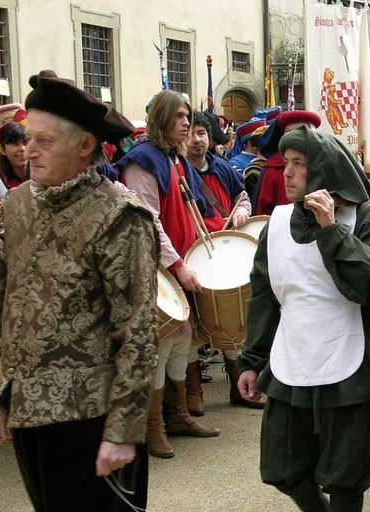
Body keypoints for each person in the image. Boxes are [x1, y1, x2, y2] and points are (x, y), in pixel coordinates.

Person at [0, 70, 160, 511]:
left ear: (85, 147)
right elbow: (6, 300)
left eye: (45, 141)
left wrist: (123, 430)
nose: (28, 152)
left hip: (90, 417)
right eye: (27, 139)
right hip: (29, 410)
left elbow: (137, 332)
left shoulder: (119, 217)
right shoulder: (18, 203)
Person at [237, 126, 370, 512]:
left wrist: (331, 229)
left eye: (300, 164)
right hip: (290, 356)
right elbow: (264, 296)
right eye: (287, 164)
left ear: (325, 170)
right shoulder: (276, 223)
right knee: (284, 469)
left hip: (351, 357)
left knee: (346, 474)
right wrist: (252, 360)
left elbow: (367, 285)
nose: (288, 173)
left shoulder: (363, 218)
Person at [118, 90, 220, 459]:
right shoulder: (142, 161)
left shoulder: (172, 158)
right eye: (178, 115)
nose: (186, 122)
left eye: (187, 116)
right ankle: (152, 426)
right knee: (159, 347)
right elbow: (147, 223)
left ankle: (177, 416)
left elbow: (194, 208)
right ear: (161, 118)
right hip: (155, 269)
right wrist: (176, 265)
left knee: (182, 341)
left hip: (177, 264)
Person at [185, 111, 259, 410]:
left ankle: (237, 383)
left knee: (231, 318)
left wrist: (241, 212)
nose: (196, 140)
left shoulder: (222, 168)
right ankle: (192, 392)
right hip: (189, 254)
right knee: (189, 327)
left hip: (222, 251)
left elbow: (242, 198)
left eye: (201, 133)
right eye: (190, 133)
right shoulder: (176, 171)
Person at [251, 110, 322, 215]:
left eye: (299, 132)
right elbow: (261, 214)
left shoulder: (324, 165)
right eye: (288, 133)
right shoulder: (272, 169)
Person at [0, 121, 28, 189]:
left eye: (25, 143)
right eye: (15, 144)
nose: (22, 149)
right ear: (3, 150)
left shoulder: (44, 174)